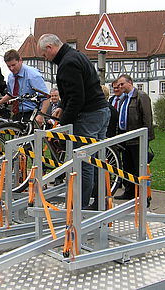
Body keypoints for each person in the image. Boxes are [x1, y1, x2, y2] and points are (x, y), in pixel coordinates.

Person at [37, 33, 110, 209]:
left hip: (88, 115)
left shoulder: (67, 63)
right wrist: (62, 104)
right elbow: (75, 90)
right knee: (98, 160)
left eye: (44, 54)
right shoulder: (77, 56)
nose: (45, 58)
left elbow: (77, 97)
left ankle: (80, 207)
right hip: (101, 111)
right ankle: (101, 201)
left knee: (84, 162)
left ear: (50, 48)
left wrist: (63, 122)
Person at [113, 74, 155, 200]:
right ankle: (129, 192)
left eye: (122, 84)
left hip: (137, 139)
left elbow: (147, 118)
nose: (120, 87)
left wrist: (145, 137)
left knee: (138, 167)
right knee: (127, 166)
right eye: (119, 85)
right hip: (125, 138)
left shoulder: (141, 96)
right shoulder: (123, 99)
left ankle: (142, 194)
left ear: (130, 83)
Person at [0, 49, 49, 123]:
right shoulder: (11, 76)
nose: (11, 68)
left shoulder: (33, 75)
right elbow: (11, 94)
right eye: (8, 66)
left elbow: (46, 97)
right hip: (17, 114)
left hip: (32, 114)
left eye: (13, 65)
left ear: (20, 60)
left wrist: (41, 115)